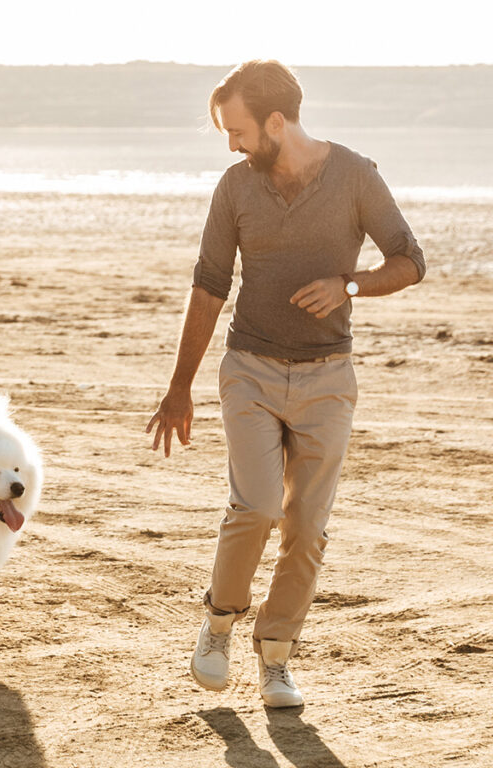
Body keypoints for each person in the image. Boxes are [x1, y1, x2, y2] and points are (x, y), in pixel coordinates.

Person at [145, 60, 425, 707]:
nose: (233, 145)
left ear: (276, 121)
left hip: (330, 378)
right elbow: (210, 284)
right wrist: (179, 386)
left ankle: (276, 657)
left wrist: (350, 285)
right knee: (258, 506)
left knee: (307, 525)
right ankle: (218, 623)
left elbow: (410, 261)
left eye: (238, 131)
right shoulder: (236, 188)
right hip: (251, 370)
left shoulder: (356, 176)